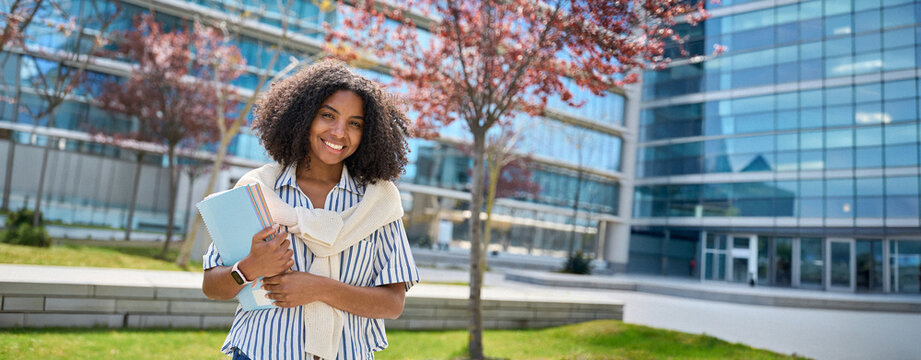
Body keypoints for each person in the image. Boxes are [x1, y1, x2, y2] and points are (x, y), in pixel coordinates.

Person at [201, 59, 419, 360]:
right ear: (303, 117)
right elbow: (212, 286)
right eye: (328, 116)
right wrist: (250, 267)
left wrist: (319, 288)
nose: (339, 132)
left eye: (355, 123)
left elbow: (393, 304)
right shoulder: (258, 191)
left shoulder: (377, 203)